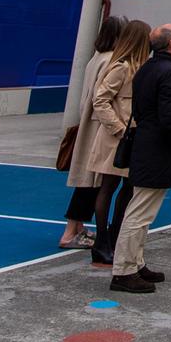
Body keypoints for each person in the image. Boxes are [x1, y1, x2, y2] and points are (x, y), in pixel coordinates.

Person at [110, 22, 171, 295]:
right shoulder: (169, 73)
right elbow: (169, 116)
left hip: (148, 147)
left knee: (143, 209)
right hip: (158, 150)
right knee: (140, 212)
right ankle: (124, 270)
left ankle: (136, 262)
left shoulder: (148, 69)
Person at [87, 19, 151, 267]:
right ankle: (101, 242)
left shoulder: (139, 67)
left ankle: (113, 238)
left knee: (127, 188)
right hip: (116, 139)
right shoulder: (121, 67)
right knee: (108, 187)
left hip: (131, 138)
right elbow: (100, 99)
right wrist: (119, 128)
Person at [60, 15, 124, 248]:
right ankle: (70, 231)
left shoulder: (94, 59)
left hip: (90, 123)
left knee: (87, 181)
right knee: (93, 181)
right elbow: (103, 98)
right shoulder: (110, 62)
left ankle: (76, 228)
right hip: (99, 127)